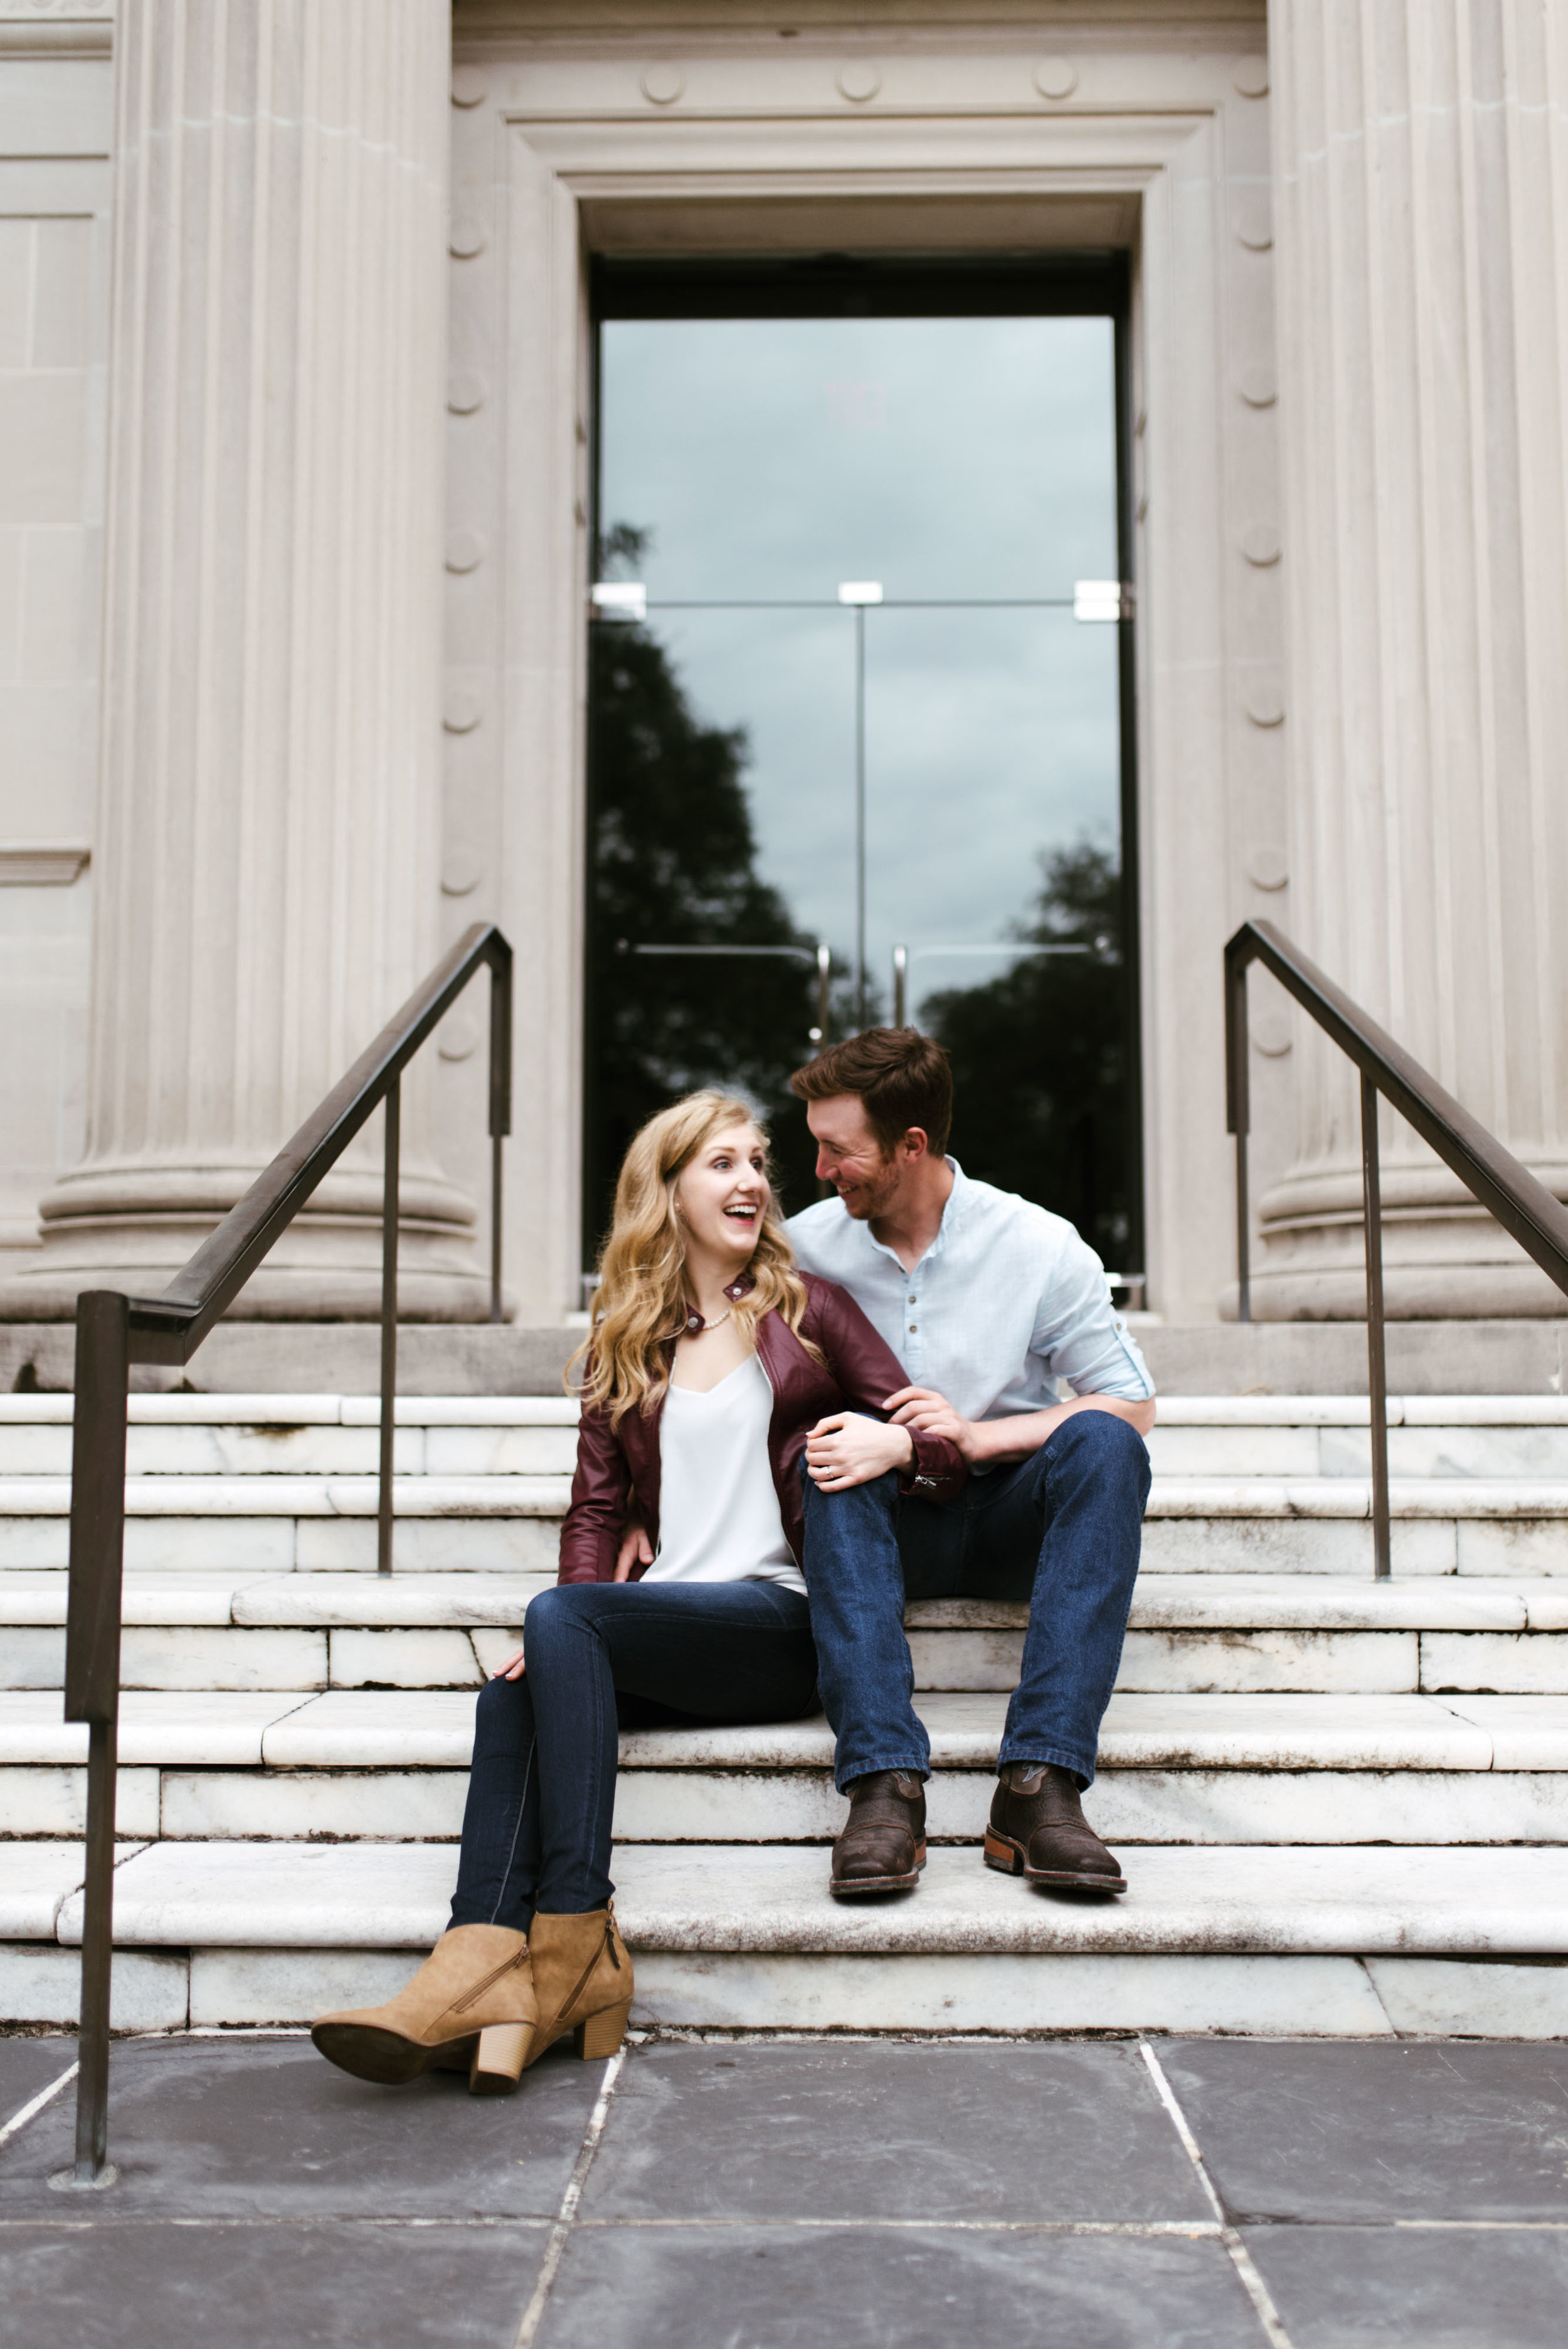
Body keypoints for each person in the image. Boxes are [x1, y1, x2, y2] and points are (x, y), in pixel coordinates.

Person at [310, 1088, 965, 2096]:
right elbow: (594, 1509)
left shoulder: (811, 1308)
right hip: (670, 1620)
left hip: (780, 1618)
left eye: (757, 1163)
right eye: (722, 1162)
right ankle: (477, 1956)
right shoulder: (629, 1331)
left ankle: (573, 1937)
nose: (751, 1180)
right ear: (666, 1189)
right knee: (513, 1688)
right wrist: (567, 1627)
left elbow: (938, 1449)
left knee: (561, 1619)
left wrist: (898, 1445)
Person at [783, 1027, 1155, 1900]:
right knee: (829, 1450)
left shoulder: (1036, 1243)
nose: (821, 1169)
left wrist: (981, 1438)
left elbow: (1132, 1400)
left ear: (912, 1146)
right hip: (879, 1525)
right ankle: (883, 1784)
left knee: (1106, 1444)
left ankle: (1040, 1785)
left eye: (839, 1149)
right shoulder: (802, 1245)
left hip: (1006, 1518)